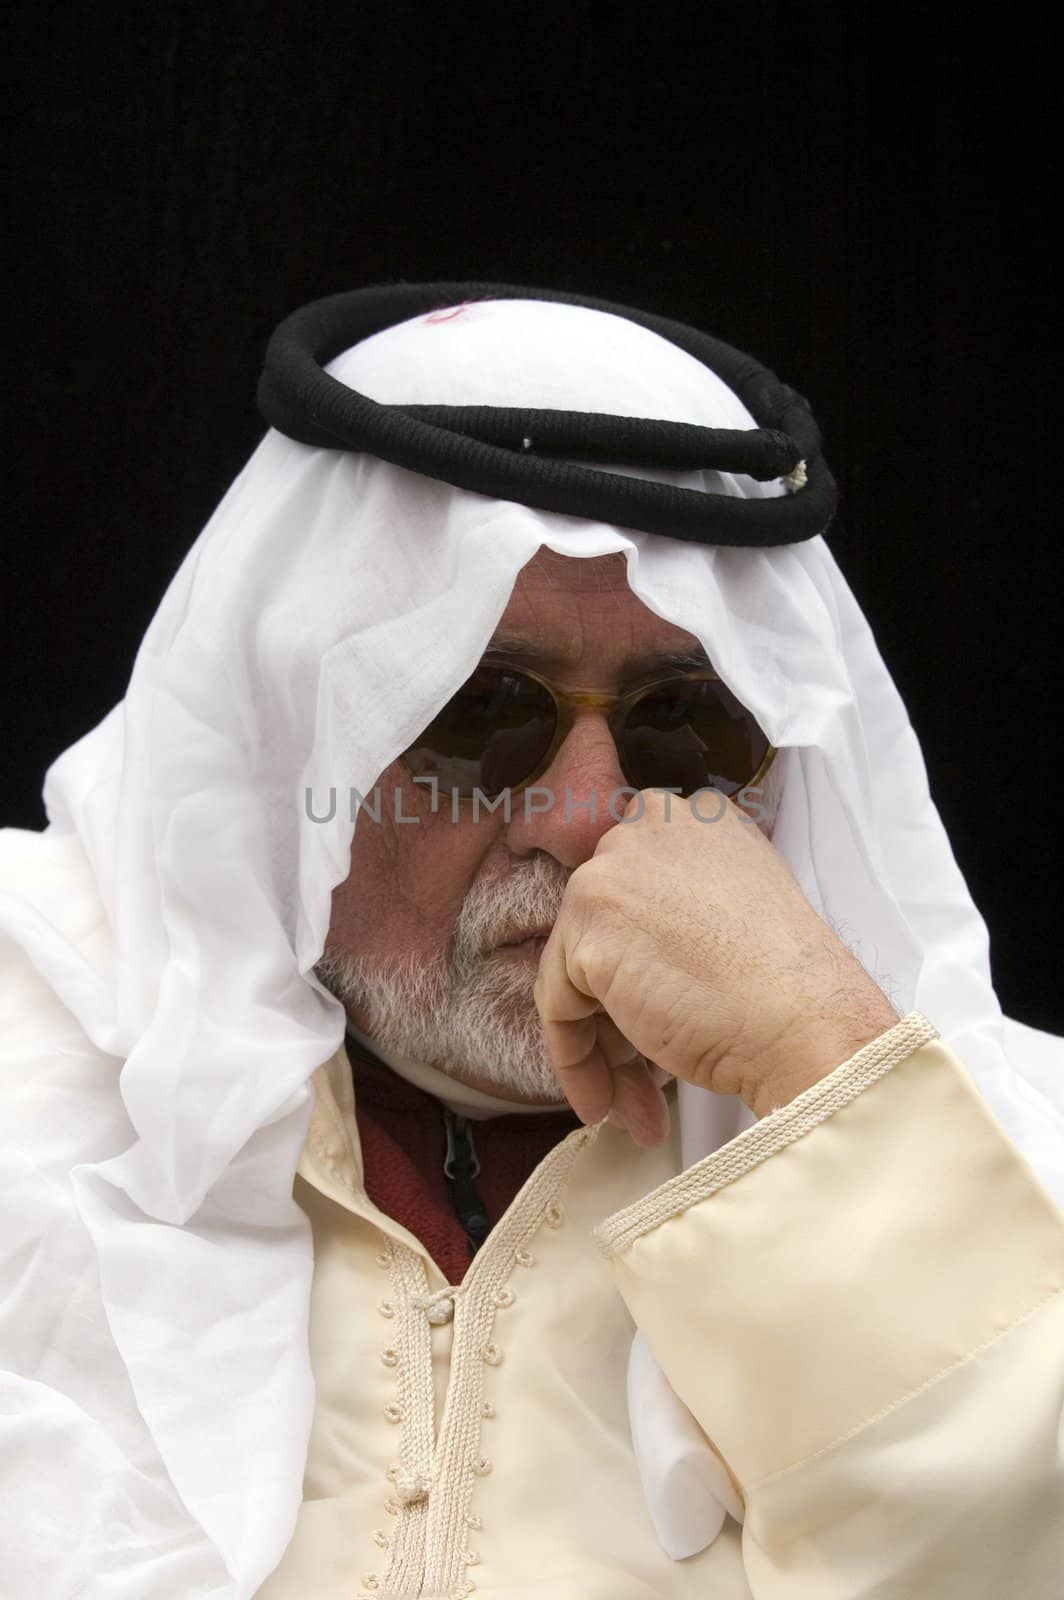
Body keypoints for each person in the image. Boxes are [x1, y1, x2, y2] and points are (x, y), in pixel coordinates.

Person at [1, 285, 1061, 1600]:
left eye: (688, 723)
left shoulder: (1016, 1151)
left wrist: (826, 1070)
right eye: (479, 706)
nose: (584, 814)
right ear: (290, 737)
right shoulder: (20, 1042)